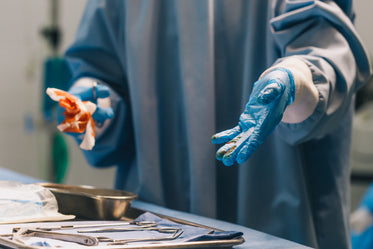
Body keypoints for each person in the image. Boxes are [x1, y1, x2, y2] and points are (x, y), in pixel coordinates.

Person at [59, 0, 372, 248]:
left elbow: (327, 48)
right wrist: (92, 107)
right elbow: (101, 68)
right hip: (152, 228)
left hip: (279, 219)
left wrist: (298, 80)